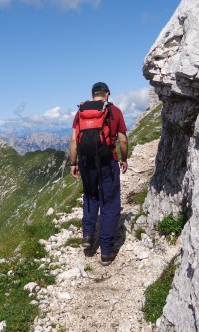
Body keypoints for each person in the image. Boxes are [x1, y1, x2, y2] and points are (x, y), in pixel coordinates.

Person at [69, 81, 128, 265]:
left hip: (86, 163)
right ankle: (106, 252)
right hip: (107, 161)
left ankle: (87, 236)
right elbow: (123, 140)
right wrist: (124, 159)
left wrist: (73, 163)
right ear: (107, 94)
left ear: (93, 94)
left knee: (90, 196)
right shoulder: (114, 111)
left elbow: (73, 141)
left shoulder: (81, 112)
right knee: (109, 203)